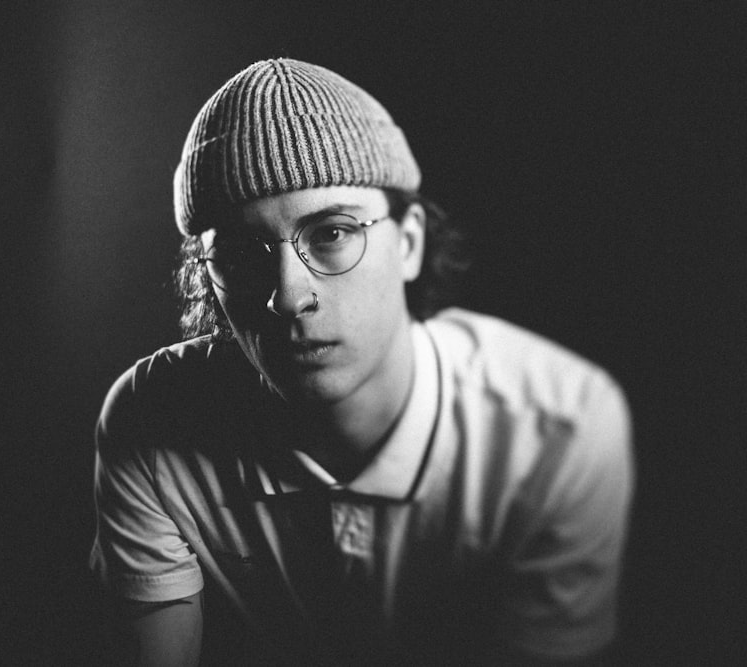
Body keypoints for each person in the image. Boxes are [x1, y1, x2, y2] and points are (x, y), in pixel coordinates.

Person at [89, 58, 634, 666]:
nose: (289, 296)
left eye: (332, 233)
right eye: (241, 253)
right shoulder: (152, 418)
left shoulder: (555, 432)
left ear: (409, 242)